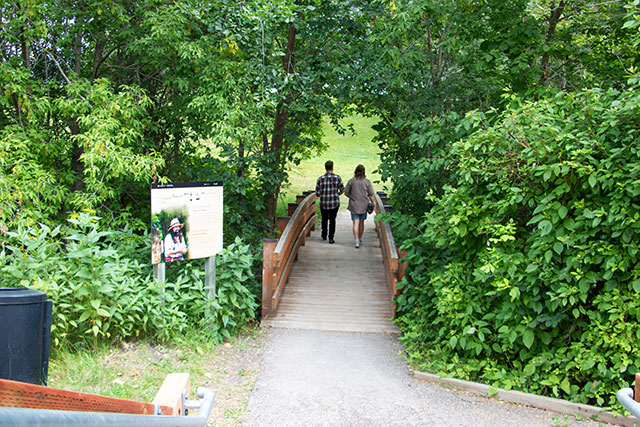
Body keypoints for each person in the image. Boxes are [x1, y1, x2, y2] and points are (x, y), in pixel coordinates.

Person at [344, 164, 374, 248]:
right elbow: (371, 194)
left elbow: (346, 192)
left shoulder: (351, 181)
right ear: (364, 172)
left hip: (354, 205)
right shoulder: (367, 182)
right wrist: (373, 203)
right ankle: (360, 238)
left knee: (355, 223)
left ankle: (356, 240)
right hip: (364, 205)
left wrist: (352, 196)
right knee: (361, 222)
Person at [315, 160, 344, 244]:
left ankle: (324, 234)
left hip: (324, 203)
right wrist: (337, 194)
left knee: (324, 219)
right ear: (332, 168)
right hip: (334, 203)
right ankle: (331, 237)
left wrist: (323, 194)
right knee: (332, 220)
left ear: (325, 168)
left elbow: (317, 193)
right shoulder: (337, 178)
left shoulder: (320, 179)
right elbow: (342, 189)